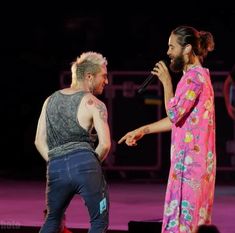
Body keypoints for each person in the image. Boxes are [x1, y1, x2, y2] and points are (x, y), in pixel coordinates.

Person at [118, 25, 216, 233]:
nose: (168, 52)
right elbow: (178, 120)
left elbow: (174, 113)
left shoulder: (194, 78)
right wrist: (143, 129)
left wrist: (166, 83)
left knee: (184, 225)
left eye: (172, 47)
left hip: (190, 168)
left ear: (187, 49)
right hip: (189, 165)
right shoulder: (195, 76)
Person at [35, 51, 111, 233]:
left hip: (56, 167)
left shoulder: (49, 100)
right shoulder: (95, 103)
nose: (106, 81)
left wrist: (57, 160)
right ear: (89, 76)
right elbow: (106, 144)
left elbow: (38, 141)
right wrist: (88, 164)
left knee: (52, 220)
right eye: (104, 76)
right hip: (86, 165)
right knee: (99, 223)